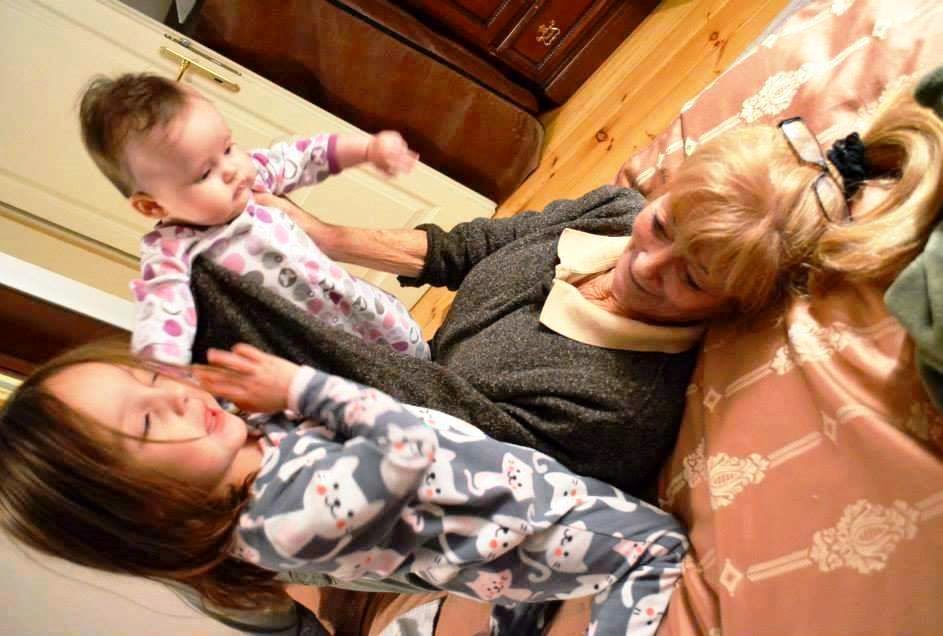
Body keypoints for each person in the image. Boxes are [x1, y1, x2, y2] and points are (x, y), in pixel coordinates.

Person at [0, 340, 688, 636]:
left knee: (523, 592)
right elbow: (406, 447)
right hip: (528, 527)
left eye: (152, 379)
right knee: (654, 546)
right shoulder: (282, 522)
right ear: (143, 508)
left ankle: (523, 611)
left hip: (504, 514)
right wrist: (301, 387)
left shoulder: (250, 443)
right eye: (147, 421)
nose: (177, 396)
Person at [79, 73, 429, 366]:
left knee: (420, 356)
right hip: (319, 352)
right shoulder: (172, 250)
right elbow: (164, 311)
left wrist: (367, 149)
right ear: (152, 207)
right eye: (205, 173)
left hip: (368, 312)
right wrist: (164, 370)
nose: (231, 169)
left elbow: (307, 156)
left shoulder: (254, 179)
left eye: (228, 148)